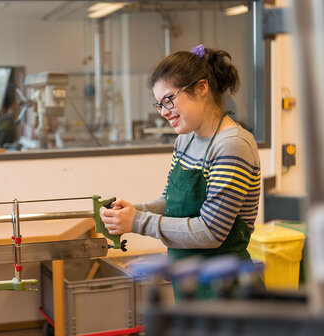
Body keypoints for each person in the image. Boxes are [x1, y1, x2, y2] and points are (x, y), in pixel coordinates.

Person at [100, 45, 261, 297]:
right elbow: (170, 203)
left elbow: (211, 232)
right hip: (189, 282)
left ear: (202, 87)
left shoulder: (231, 145)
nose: (164, 112)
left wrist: (137, 221)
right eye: (159, 104)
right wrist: (133, 210)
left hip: (225, 289)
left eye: (169, 99)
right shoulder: (185, 141)